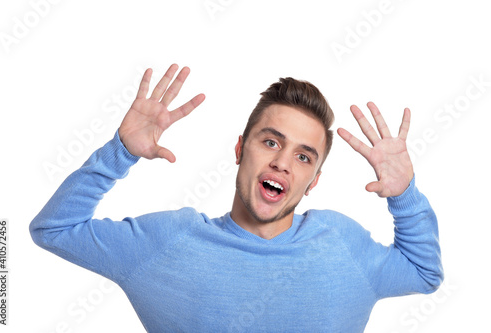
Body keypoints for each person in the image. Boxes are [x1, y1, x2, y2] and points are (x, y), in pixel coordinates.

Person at [30, 64, 443, 332]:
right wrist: (119, 152)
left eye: (303, 156)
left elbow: (425, 272)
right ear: (240, 149)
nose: (283, 163)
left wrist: (405, 194)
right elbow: (55, 229)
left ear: (313, 181)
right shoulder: (167, 242)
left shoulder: (340, 243)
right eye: (271, 142)